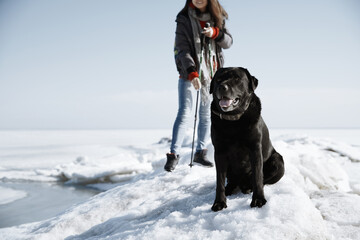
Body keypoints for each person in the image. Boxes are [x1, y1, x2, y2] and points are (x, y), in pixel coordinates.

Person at [164, 0, 233, 172]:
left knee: (205, 113)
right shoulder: (184, 18)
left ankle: (200, 153)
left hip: (211, 74)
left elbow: (229, 42)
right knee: (184, 112)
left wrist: (215, 33)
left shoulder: (218, 17)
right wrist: (192, 72)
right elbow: (182, 48)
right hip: (189, 72)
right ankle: (173, 155)